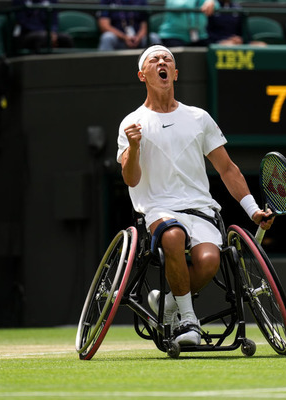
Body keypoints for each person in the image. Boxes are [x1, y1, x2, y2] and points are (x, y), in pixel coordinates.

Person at [116, 45, 274, 346]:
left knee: (209, 260)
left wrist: (253, 210)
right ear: (142, 74)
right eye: (155, 59)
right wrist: (134, 148)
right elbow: (131, 178)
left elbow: (227, 169)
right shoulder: (131, 123)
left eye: (168, 60)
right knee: (172, 236)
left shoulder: (199, 118)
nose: (162, 62)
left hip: (200, 208)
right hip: (157, 207)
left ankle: (168, 304)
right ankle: (188, 323)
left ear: (174, 73)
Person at [97, 0, 161, 51]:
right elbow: (104, 26)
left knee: (153, 37)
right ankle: (105, 66)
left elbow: (145, 24)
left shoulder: (141, 1)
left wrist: (138, 38)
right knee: (107, 37)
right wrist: (124, 37)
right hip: (118, 39)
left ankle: (159, 65)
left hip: (138, 39)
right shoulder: (106, 1)